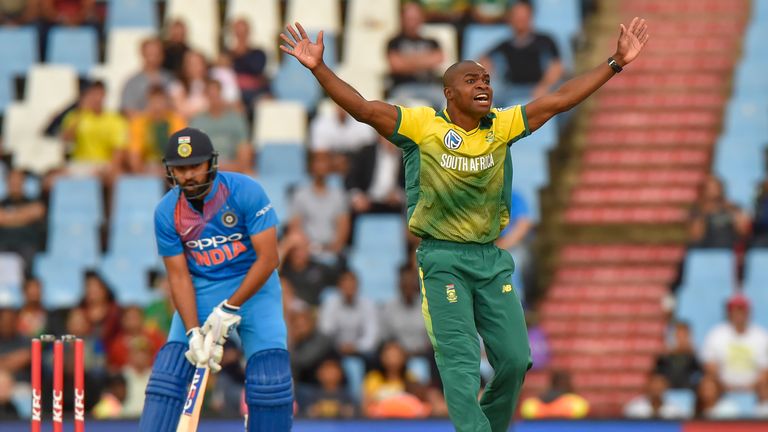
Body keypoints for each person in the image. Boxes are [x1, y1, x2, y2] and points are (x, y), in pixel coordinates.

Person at [280, 14, 649, 431]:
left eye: (487, 80)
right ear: (448, 93)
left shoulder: (503, 126)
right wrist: (319, 68)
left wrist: (615, 63)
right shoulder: (422, 127)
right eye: (473, 80)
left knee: (514, 360)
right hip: (443, 259)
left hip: (491, 258)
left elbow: (559, 99)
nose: (484, 86)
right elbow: (364, 109)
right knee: (461, 362)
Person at [139, 127, 292, 431]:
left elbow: (269, 260)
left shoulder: (245, 191)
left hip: (254, 289)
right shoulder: (166, 212)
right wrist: (194, 331)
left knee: (269, 382)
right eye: (180, 169)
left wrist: (230, 308)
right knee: (167, 379)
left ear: (211, 163)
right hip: (201, 289)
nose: (188, 175)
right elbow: (179, 277)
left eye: (195, 166)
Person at [481, 1, 564, 104]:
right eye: (516, 16)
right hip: (512, 91)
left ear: (531, 16)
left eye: (523, 16)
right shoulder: (504, 46)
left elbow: (557, 67)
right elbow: (484, 62)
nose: (520, 20)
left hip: (539, 89)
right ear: (510, 18)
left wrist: (544, 86)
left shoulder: (546, 41)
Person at [701, 294, 768, 392]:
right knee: (707, 384)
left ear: (748, 312)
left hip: (756, 390)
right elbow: (710, 366)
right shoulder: (716, 334)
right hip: (722, 389)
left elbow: (765, 370)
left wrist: (752, 387)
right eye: (735, 310)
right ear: (729, 313)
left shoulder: (761, 336)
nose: (739, 314)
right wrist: (723, 385)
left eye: (742, 310)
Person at [386, 2, 445, 109]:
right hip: (403, 88)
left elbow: (439, 59)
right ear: (402, 19)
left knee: (448, 101)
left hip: (430, 87)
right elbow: (396, 65)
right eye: (409, 18)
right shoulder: (394, 42)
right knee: (400, 105)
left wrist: (407, 61)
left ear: (422, 19)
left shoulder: (432, 41)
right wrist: (426, 59)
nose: (412, 22)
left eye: (415, 18)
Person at [189, 79, 252, 174]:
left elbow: (244, 144)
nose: (214, 99)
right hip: (205, 167)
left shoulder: (236, 118)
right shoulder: (197, 120)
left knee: (246, 151)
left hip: (233, 163)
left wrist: (237, 165)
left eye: (216, 95)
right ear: (206, 96)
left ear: (221, 94)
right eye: (211, 95)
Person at [127, 85, 186, 174]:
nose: (157, 106)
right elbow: (135, 153)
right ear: (148, 102)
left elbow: (182, 149)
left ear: (166, 102)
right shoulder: (139, 122)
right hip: (148, 166)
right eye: (154, 102)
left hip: (171, 165)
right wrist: (141, 174)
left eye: (160, 102)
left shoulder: (176, 120)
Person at [689, 175, 750, 249]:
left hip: (729, 248)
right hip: (706, 250)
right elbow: (696, 236)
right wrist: (705, 214)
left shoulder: (733, 208)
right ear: (704, 190)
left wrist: (736, 217)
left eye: (716, 187)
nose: (714, 190)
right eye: (711, 187)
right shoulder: (698, 210)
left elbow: (743, 231)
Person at [121, 38, 174, 117]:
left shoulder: (170, 79)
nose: (153, 58)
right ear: (142, 54)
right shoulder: (132, 83)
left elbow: (176, 107)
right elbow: (129, 111)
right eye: (150, 54)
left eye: (156, 54)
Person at [520, 370, 589, 419]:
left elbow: (527, 409)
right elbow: (581, 409)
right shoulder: (576, 404)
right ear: (569, 385)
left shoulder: (533, 404)